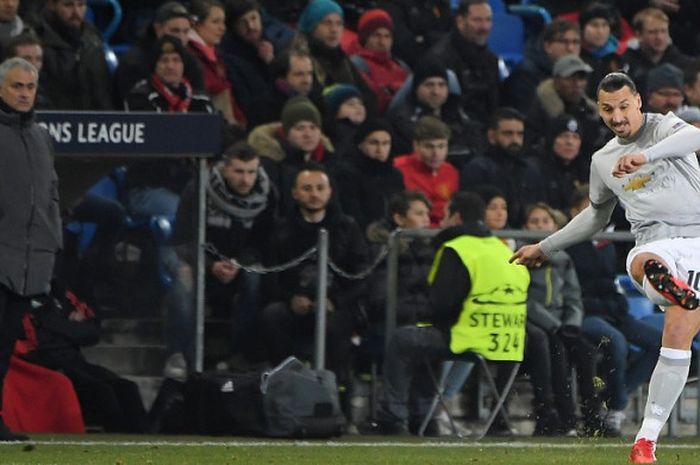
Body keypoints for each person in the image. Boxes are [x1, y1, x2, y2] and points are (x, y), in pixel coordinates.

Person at [510, 71, 700, 463]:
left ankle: (646, 439)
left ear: (639, 102)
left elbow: (697, 136)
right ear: (599, 110)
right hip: (654, 241)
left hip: (697, 239)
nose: (617, 116)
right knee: (647, 262)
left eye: (623, 107)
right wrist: (546, 246)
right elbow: (596, 217)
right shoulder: (602, 160)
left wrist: (645, 156)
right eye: (607, 109)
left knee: (678, 331)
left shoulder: (665, 126)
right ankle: (645, 443)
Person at [361, 191, 530, 435]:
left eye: (445, 215)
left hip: (470, 339)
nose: (439, 222)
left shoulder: (456, 248)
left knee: (405, 339)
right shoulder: (502, 249)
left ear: (456, 217)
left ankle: (393, 417)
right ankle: (424, 417)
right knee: (428, 340)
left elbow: (442, 305)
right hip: (510, 345)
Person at [164, 142, 277, 376]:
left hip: (240, 264)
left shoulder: (269, 195)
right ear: (224, 169)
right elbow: (182, 240)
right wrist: (209, 265)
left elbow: (262, 244)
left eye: (251, 172)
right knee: (182, 282)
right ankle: (179, 355)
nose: (245, 179)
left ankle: (239, 355)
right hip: (198, 259)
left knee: (255, 278)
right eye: (238, 171)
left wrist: (239, 263)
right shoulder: (198, 189)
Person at [565, 184, 662, 438]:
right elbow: (575, 291)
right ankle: (615, 406)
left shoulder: (607, 245)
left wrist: (618, 306)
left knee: (660, 343)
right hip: (585, 314)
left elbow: (611, 283)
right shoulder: (569, 244)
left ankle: (614, 398)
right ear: (574, 211)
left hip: (613, 312)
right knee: (616, 341)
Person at [261, 163, 368, 385]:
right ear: (294, 193)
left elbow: (361, 276)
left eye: (320, 188)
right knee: (273, 315)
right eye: (307, 188)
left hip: (335, 306)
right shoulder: (280, 229)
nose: (314, 194)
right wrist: (290, 299)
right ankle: (284, 384)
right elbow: (270, 276)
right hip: (293, 304)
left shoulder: (347, 227)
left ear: (329, 191)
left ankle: (331, 390)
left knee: (335, 327)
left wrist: (335, 301)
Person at [0, 57, 62, 441]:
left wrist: (53, 241)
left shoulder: (42, 138)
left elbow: (52, 194)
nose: (24, 94)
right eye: (16, 86)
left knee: (4, 347)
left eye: (29, 87)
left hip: (29, 263)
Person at [461, 107, 545, 227]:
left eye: (519, 134)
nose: (515, 140)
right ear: (492, 136)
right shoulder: (477, 168)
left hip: (527, 237)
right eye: (508, 134)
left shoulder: (530, 170)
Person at [428, 0, 499, 127]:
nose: (485, 27)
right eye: (477, 20)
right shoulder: (440, 58)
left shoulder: (491, 60)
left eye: (488, 20)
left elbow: (494, 104)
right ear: (460, 21)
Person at [35, 0, 114, 110]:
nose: (76, 12)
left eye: (81, 5)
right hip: (54, 120)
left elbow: (103, 90)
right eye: (68, 5)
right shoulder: (37, 40)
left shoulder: (93, 37)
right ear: (51, 5)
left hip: (93, 122)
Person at [335, 118, 404, 233]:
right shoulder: (346, 173)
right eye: (373, 143)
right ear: (360, 144)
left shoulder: (395, 175)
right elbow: (352, 213)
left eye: (385, 143)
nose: (380, 149)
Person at [503, 19, 582, 114]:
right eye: (563, 42)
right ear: (547, 46)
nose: (571, 48)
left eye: (575, 42)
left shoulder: (580, 74)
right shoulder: (526, 74)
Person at [393, 115, 459, 228]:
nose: (436, 153)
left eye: (441, 146)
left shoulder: (451, 172)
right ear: (416, 145)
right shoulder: (398, 168)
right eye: (429, 147)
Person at [349, 8, 409, 115]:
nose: (383, 42)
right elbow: (374, 99)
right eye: (377, 35)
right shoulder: (356, 64)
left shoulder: (401, 66)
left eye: (387, 36)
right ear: (365, 38)